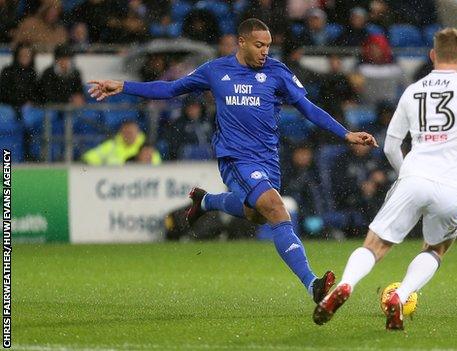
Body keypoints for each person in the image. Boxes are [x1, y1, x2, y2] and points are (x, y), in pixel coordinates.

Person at [87, 18, 377, 304]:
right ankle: (312, 284)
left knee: (256, 214)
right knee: (276, 209)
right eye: (259, 45)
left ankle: (207, 202)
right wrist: (124, 86)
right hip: (235, 158)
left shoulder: (277, 72)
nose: (265, 51)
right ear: (242, 42)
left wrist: (345, 133)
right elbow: (170, 89)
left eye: (268, 46)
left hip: (268, 159)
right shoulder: (216, 71)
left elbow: (308, 108)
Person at [313, 27, 457, 330]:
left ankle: (346, 284)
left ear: (433, 55)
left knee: (375, 245)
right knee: (435, 249)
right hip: (452, 187)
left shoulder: (413, 90)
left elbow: (392, 145)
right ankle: (402, 295)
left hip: (414, 176)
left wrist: (405, 174)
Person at [82, 120, 161, 165]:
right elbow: (88, 158)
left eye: (131, 132)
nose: (129, 135)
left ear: (138, 132)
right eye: (126, 132)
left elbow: (157, 164)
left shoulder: (146, 147)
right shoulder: (111, 145)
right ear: (121, 132)